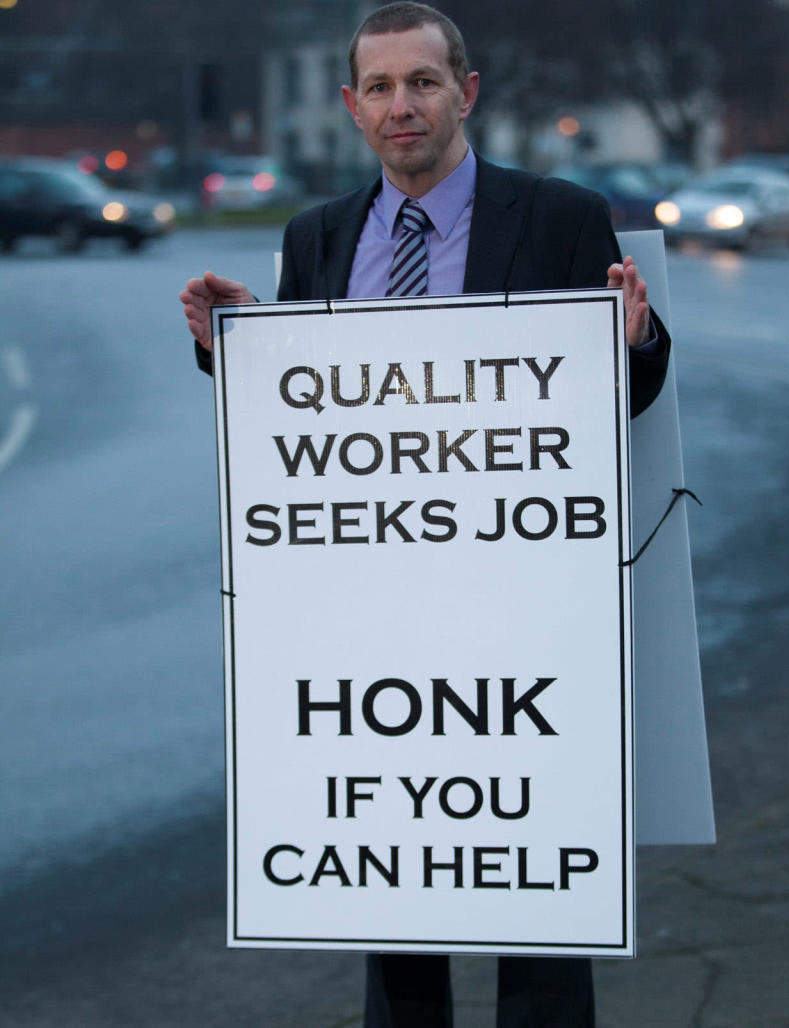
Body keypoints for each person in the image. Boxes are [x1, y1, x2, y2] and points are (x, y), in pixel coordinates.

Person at [180, 4, 670, 1025]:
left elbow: (613, 402)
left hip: (525, 620)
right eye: (380, 87)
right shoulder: (315, 235)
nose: (402, 106)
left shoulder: (564, 216)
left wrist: (634, 339)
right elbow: (303, 430)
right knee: (393, 882)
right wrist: (233, 347)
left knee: (537, 891)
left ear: (467, 92)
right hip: (370, 630)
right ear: (353, 106)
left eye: (423, 82)